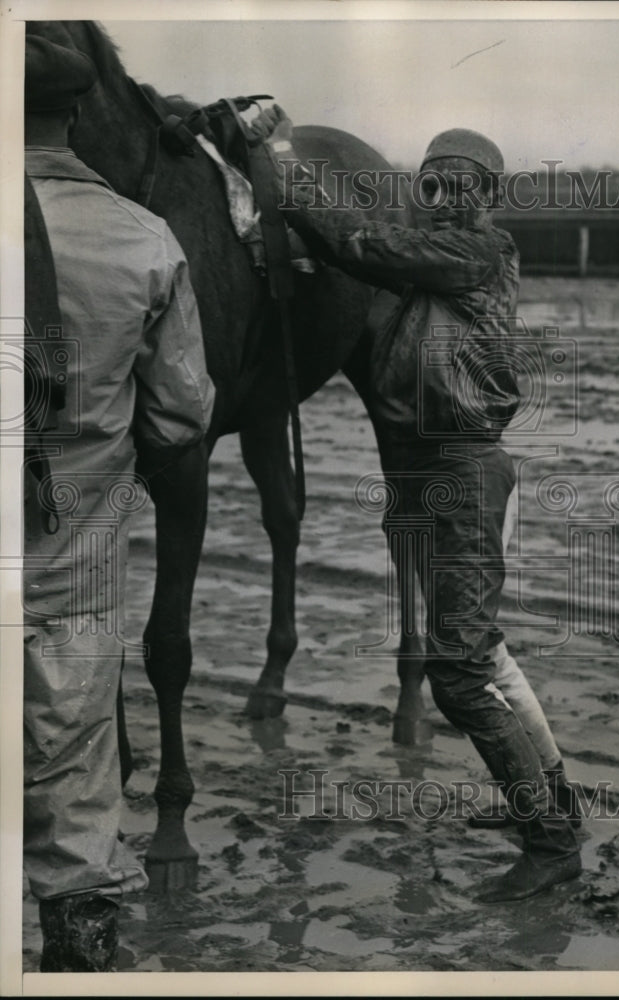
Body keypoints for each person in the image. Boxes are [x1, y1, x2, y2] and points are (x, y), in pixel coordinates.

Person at [252, 105, 582, 901]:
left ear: (481, 196)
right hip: (433, 470)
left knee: (458, 673)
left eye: (455, 183)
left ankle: (549, 841)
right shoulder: (432, 265)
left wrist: (285, 180)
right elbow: (370, 265)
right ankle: (554, 804)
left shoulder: (472, 249)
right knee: (485, 653)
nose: (439, 191)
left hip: (463, 475)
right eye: (429, 179)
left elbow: (365, 242)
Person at [23, 35, 215, 971]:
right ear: (77, 111)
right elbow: (184, 416)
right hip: (71, 574)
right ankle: (77, 961)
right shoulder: (144, 237)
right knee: (74, 799)